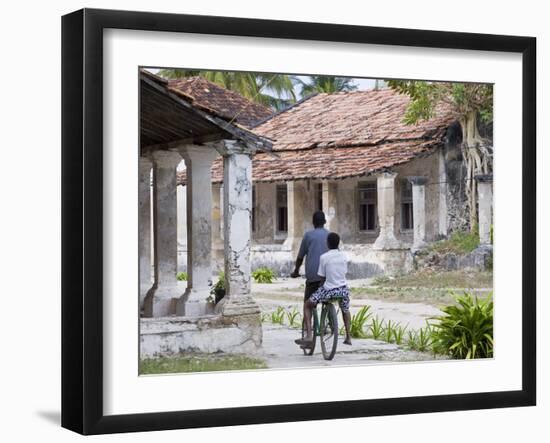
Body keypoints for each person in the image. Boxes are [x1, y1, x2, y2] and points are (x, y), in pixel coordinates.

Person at [295, 232, 352, 347]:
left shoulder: (324, 257)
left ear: (327, 244)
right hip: (343, 290)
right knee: (345, 310)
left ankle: (309, 335)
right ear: (338, 243)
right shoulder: (344, 256)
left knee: (307, 304)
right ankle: (348, 336)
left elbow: (321, 276)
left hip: (329, 290)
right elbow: (344, 272)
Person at [290, 210, 329, 328]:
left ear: (313, 223)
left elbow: (300, 257)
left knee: (307, 304)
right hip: (327, 277)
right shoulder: (330, 235)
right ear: (325, 222)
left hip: (313, 277)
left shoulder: (308, 236)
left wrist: (296, 271)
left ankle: (308, 332)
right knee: (326, 298)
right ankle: (328, 321)